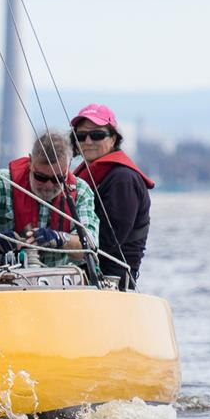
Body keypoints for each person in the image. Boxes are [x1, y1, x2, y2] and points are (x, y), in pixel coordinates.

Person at [0, 131, 99, 267]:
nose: (48, 186)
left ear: (67, 168)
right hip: (4, 280)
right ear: (30, 162)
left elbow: (90, 245)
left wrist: (59, 238)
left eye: (57, 179)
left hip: (59, 284)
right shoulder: (1, 182)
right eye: (41, 177)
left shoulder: (80, 191)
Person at [70, 104, 154, 289]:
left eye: (97, 135)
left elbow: (109, 241)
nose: (88, 141)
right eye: (81, 136)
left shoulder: (123, 179)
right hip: (80, 276)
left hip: (111, 283)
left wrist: (62, 244)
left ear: (113, 138)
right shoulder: (87, 174)